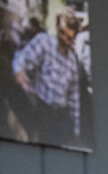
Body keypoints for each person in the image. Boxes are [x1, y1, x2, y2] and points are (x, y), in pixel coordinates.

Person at [10, 8, 85, 144]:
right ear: (57, 28)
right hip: (44, 111)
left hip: (62, 116)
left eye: (69, 38)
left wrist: (76, 130)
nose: (64, 40)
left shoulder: (72, 60)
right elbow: (21, 57)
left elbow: (74, 97)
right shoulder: (44, 42)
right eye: (61, 33)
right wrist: (19, 71)